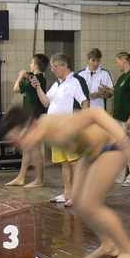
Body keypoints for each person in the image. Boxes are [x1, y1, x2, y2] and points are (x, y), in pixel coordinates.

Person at [0, 104, 130, 258]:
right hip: (90, 153)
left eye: (17, 141)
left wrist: (125, 142)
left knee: (91, 205)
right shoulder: (43, 131)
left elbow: (96, 113)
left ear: (29, 127)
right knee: (77, 203)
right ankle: (108, 244)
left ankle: (129, 252)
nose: (18, 147)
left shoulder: (58, 126)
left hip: (112, 146)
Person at [33, 52, 89, 205]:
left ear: (64, 66)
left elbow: (85, 102)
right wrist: (38, 87)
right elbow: (46, 102)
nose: (52, 69)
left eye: (54, 66)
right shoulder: (57, 84)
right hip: (56, 130)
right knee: (64, 163)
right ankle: (67, 193)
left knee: (74, 162)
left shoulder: (75, 81)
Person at [7, 54, 49, 187]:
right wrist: (24, 75)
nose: (30, 65)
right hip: (30, 117)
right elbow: (18, 88)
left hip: (34, 117)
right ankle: (21, 177)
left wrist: (22, 75)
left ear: (36, 65)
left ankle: (39, 179)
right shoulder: (35, 78)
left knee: (35, 149)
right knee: (27, 148)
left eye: (31, 63)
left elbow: (17, 88)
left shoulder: (36, 79)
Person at [112, 52, 130, 186]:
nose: (116, 64)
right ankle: (120, 175)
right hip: (118, 118)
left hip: (127, 119)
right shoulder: (122, 77)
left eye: (117, 61)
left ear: (124, 61)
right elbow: (119, 95)